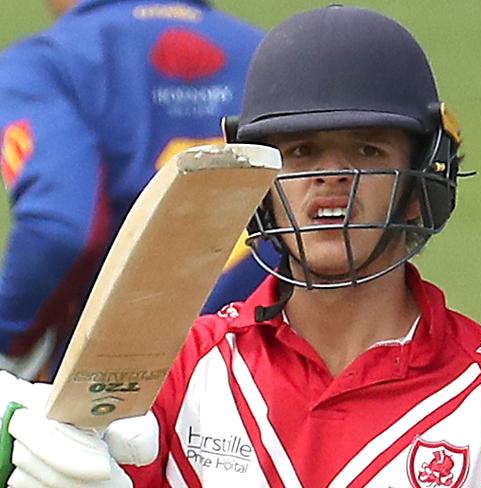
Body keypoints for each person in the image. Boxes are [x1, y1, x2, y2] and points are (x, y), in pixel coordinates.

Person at [0, 5, 481, 487]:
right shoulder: (179, 368)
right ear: (256, 183)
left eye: (367, 151)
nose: (330, 176)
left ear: (422, 184)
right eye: (301, 152)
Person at [0, 0, 278, 380]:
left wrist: (9, 338)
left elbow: (60, 230)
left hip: (116, 394)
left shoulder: (44, 65)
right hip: (269, 376)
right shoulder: (277, 58)